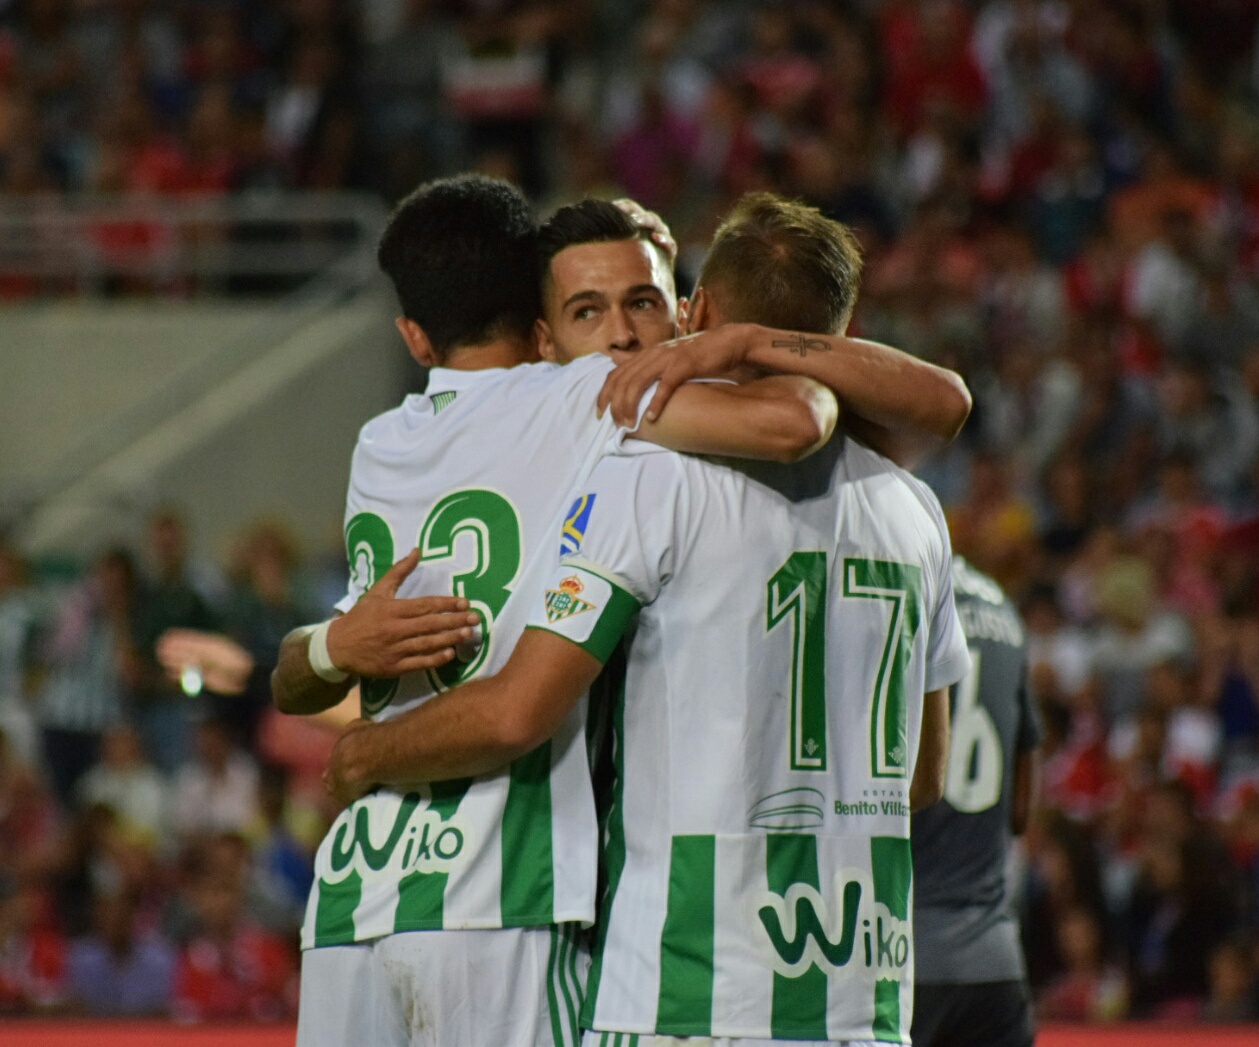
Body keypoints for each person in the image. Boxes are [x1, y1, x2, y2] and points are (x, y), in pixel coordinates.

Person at [325, 193, 972, 1044]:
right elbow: (922, 778)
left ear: (692, 310)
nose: (624, 338)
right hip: (864, 991)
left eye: (642, 305)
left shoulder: (646, 476)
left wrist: (362, 750)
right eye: (589, 311)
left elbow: (520, 708)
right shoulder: (916, 510)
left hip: (684, 984)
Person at [909, 556, 1043, 1047]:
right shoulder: (1003, 608)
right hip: (996, 960)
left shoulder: (894, 594)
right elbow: (1022, 806)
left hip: (900, 961)